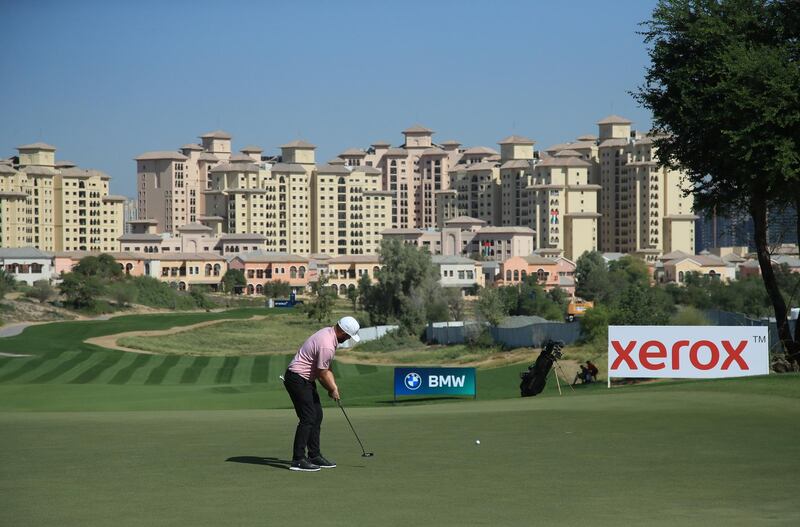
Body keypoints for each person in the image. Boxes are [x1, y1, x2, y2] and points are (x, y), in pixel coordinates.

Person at [283, 316, 360, 472]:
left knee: (317, 415)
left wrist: (334, 386)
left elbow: (326, 367)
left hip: (304, 379)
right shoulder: (327, 344)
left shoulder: (328, 333)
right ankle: (298, 460)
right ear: (343, 332)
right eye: (348, 336)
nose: (347, 339)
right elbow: (322, 373)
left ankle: (314, 455)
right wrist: (331, 390)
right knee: (308, 417)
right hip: (297, 379)